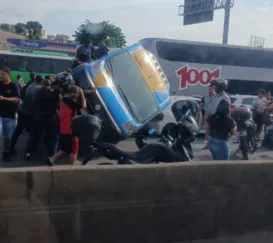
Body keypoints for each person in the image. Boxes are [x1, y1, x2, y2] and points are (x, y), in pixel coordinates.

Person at [47, 85, 86, 166]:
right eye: (77, 94)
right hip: (70, 130)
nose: (78, 95)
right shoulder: (70, 102)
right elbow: (83, 106)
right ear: (72, 93)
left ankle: (51, 160)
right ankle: (72, 168)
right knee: (74, 150)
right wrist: (82, 94)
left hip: (64, 128)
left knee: (65, 149)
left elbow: (58, 110)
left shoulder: (63, 100)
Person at [24, 79, 60, 159]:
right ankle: (49, 155)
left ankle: (29, 152)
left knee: (35, 136)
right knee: (49, 136)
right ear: (50, 85)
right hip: (49, 117)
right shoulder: (54, 93)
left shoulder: (38, 92)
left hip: (38, 117)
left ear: (43, 84)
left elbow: (33, 103)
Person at [9, 75, 43, 156]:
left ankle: (11, 148)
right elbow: (34, 101)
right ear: (41, 81)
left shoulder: (30, 86)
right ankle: (29, 151)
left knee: (18, 131)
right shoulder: (39, 88)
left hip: (23, 111)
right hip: (31, 113)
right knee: (32, 133)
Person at [0, 68, 20, 161]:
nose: (1, 76)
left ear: (8, 75)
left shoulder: (14, 86)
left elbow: (17, 99)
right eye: (0, 74)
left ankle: (6, 153)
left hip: (9, 115)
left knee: (8, 136)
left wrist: (4, 98)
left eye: (3, 74)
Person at [198, 84, 216, 149]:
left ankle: (214, 145)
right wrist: (198, 113)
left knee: (214, 132)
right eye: (209, 89)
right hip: (207, 117)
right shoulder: (205, 97)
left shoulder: (217, 97)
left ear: (214, 89)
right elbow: (201, 106)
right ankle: (207, 145)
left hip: (215, 117)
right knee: (207, 132)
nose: (209, 90)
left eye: (211, 89)